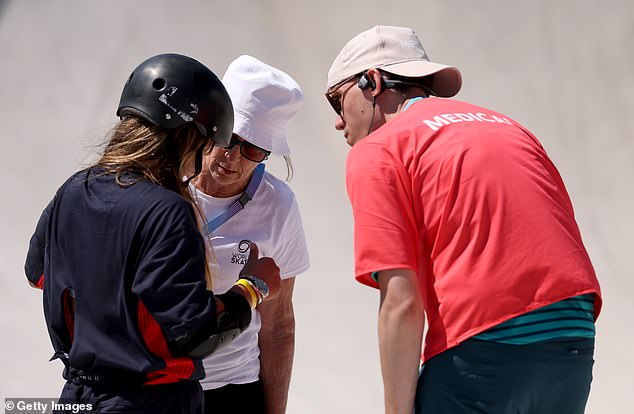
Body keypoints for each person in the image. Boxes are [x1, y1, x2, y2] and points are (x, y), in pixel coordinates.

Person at [324, 25, 602, 414]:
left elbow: (403, 302)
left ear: (371, 82)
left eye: (337, 101)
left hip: (482, 350)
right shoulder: (511, 126)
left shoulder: (379, 149)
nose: (338, 121)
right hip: (572, 340)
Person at [24, 53, 281, 413]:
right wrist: (254, 287)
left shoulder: (74, 189)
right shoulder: (167, 211)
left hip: (79, 395)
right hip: (151, 400)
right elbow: (197, 334)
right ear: (190, 136)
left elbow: (38, 273)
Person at [191, 55, 310, 414]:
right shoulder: (164, 183)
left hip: (234, 390)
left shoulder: (278, 205)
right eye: (229, 137)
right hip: (158, 387)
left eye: (254, 148)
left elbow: (277, 326)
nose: (234, 157)